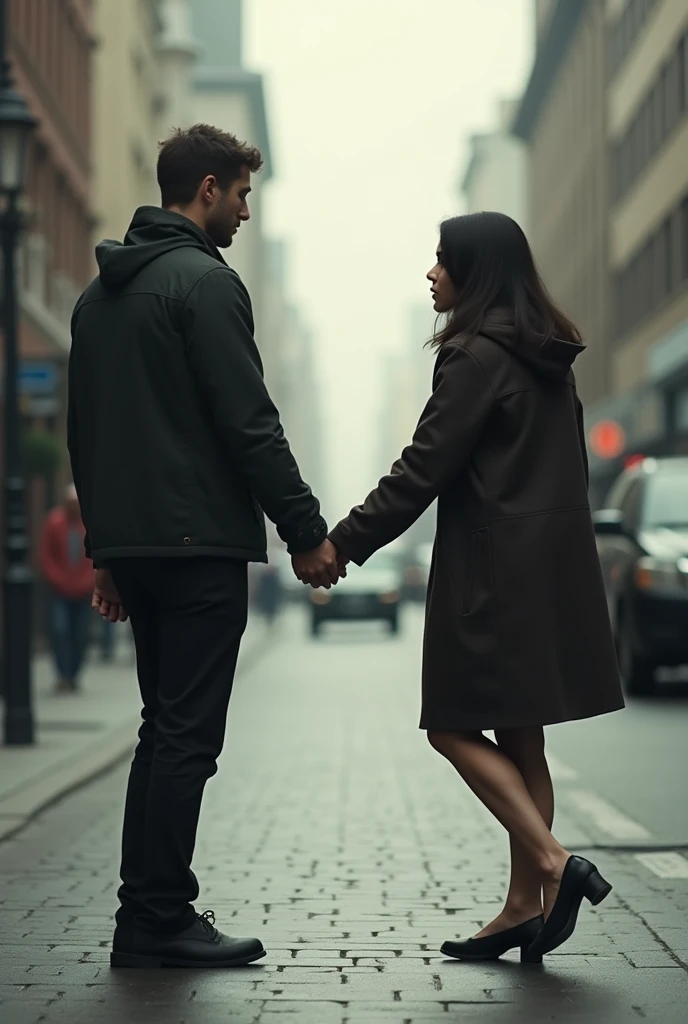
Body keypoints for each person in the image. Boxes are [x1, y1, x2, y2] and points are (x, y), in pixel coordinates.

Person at [67, 124, 343, 969]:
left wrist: (106, 550)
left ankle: (145, 917)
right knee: (187, 737)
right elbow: (249, 423)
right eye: (242, 194)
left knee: (162, 731)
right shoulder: (204, 285)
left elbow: (89, 435)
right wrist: (307, 532)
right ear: (208, 191)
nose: (247, 212)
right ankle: (159, 919)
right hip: (196, 548)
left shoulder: (96, 297)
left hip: (141, 551)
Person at [328, 212, 625, 964]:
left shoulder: (474, 356)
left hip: (492, 573)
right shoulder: (547, 355)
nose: (431, 273)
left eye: (442, 260)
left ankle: (556, 867)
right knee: (524, 735)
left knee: (452, 728)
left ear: (477, 272)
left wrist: (342, 542)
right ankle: (523, 906)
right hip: (549, 568)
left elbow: (423, 469)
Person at [39, 484, 94, 694]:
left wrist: (87, 582)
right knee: (60, 631)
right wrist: (57, 579)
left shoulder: (87, 524)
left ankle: (74, 673)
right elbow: (47, 556)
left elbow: (93, 560)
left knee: (81, 634)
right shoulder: (54, 522)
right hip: (59, 591)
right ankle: (63, 674)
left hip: (83, 590)